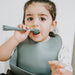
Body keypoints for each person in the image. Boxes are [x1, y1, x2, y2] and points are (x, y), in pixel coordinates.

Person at [0, 0, 73, 75]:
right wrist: (15, 39)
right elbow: (1, 56)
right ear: (24, 22)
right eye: (30, 19)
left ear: (52, 25)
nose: (35, 24)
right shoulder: (19, 40)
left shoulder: (60, 45)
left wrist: (59, 72)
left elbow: (68, 72)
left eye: (42, 19)